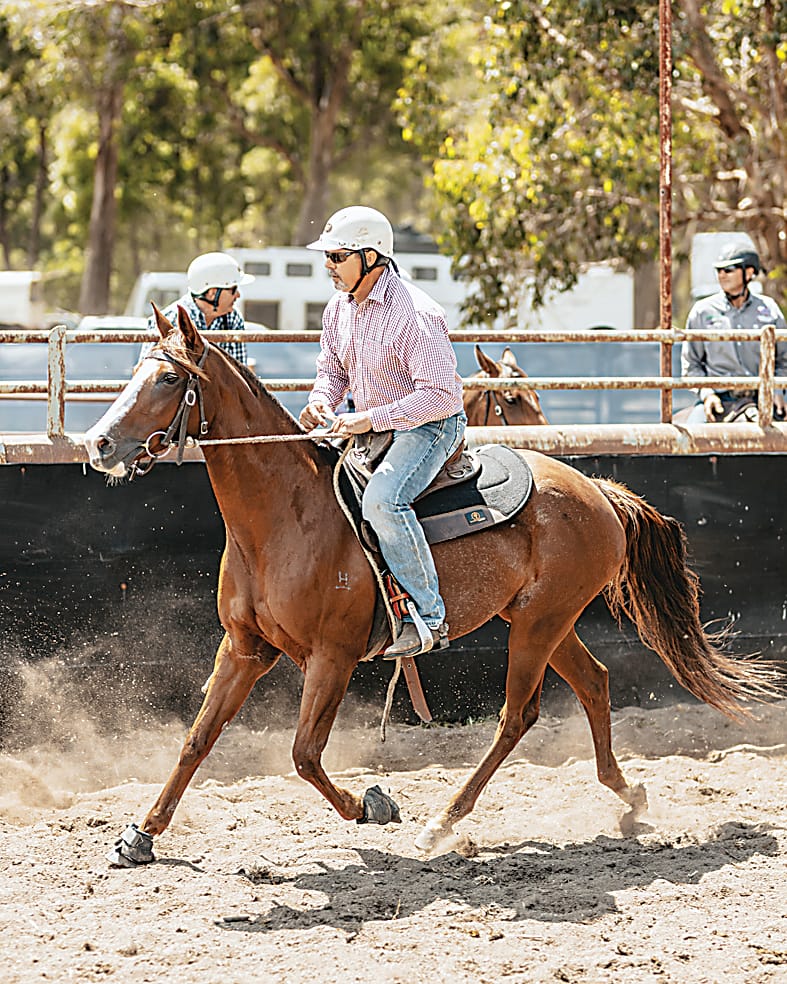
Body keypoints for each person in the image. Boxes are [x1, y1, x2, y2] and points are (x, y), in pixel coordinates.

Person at [299, 205, 466, 659]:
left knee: (383, 500)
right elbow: (331, 370)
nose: (328, 266)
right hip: (373, 426)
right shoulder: (338, 310)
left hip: (430, 427)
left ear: (371, 257)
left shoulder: (417, 315)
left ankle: (429, 619)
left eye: (337, 256)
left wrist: (369, 420)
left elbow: (440, 398)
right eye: (327, 257)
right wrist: (321, 401)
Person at [681, 242, 787, 423]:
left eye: (729, 269)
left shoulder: (769, 309)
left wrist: (777, 391)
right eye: (719, 270)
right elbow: (691, 365)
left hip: (763, 397)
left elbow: (784, 359)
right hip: (719, 398)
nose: (722, 275)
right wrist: (707, 395)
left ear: (749, 272)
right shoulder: (702, 311)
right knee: (691, 440)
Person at [138, 251, 254, 365]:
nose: (238, 295)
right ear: (212, 293)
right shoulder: (168, 320)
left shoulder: (233, 318)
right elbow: (148, 371)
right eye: (233, 289)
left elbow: (239, 370)